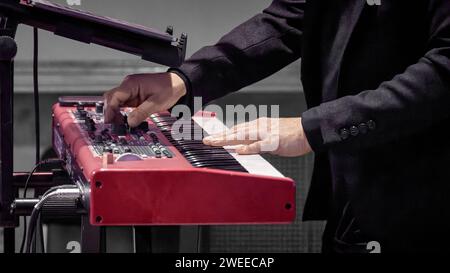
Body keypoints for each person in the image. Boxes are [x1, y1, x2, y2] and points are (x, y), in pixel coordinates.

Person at [103, 0, 450, 253]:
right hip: (356, 191)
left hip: (428, 195)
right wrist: (183, 80)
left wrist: (311, 128)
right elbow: (286, 21)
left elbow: (444, 70)